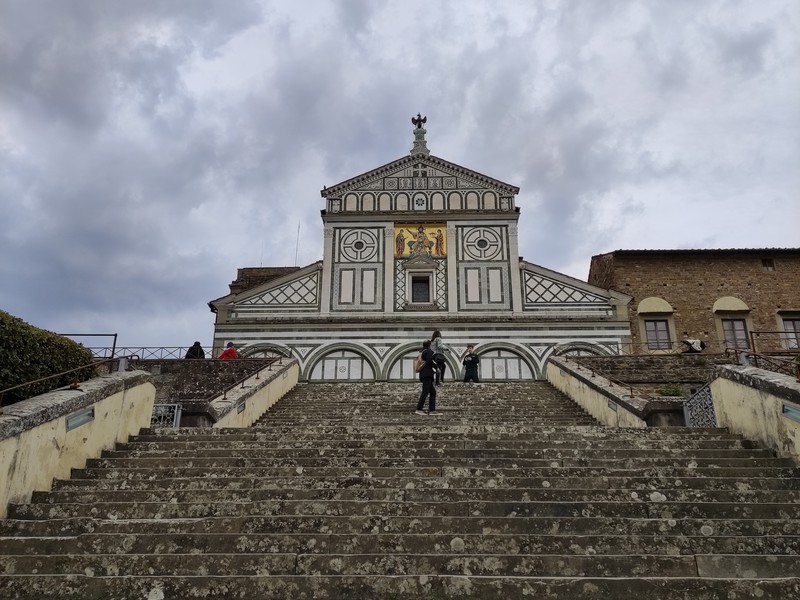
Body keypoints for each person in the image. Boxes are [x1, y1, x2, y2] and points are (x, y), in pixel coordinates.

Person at [415, 340, 439, 415]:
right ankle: (419, 409)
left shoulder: (423, 352)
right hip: (427, 374)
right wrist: (436, 367)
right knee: (425, 391)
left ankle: (432, 410)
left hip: (425, 374)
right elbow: (429, 360)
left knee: (433, 392)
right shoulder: (428, 351)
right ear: (429, 345)